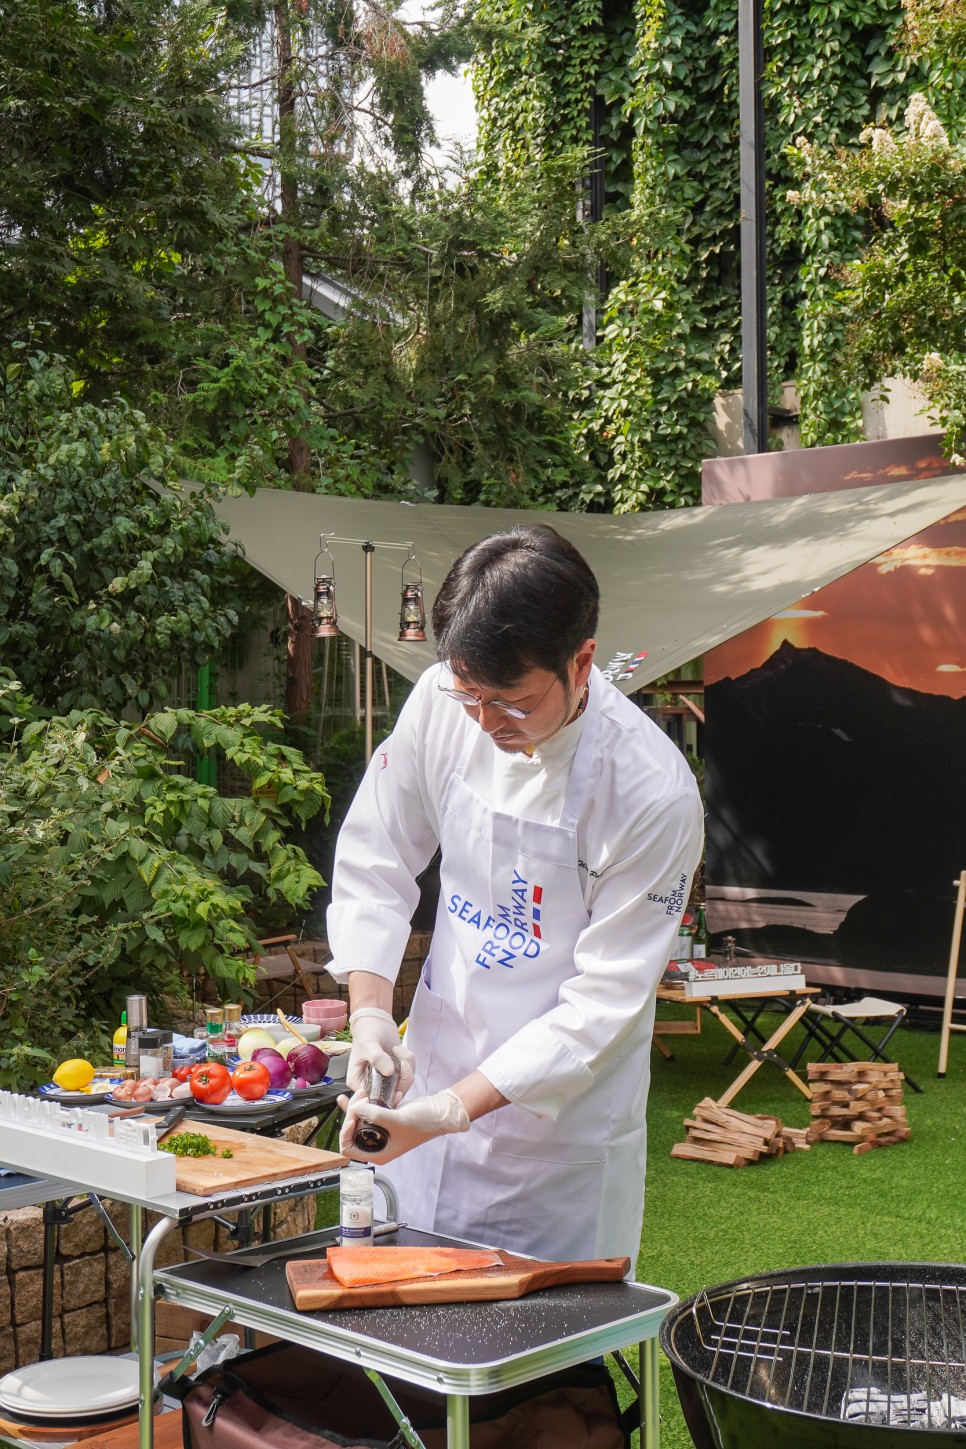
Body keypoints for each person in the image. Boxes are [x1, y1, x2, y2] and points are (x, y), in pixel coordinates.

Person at [327, 524, 703, 1264]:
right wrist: (370, 1012)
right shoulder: (444, 702)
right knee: (405, 1337)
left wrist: (453, 1109)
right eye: (472, 697)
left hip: (555, 1139)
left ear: (581, 660)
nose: (488, 722)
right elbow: (378, 851)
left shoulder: (651, 793)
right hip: (431, 1069)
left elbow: (601, 1007)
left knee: (540, 1366)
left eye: (514, 701)